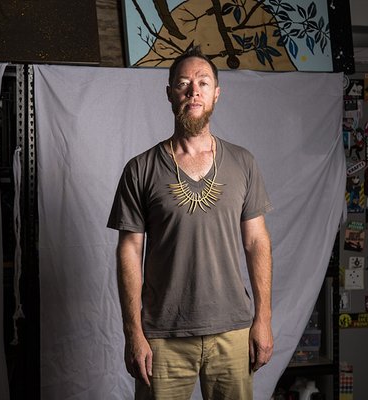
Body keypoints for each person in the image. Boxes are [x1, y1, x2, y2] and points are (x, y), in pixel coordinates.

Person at [107, 46, 274, 399]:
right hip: (163, 336)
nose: (193, 91)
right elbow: (129, 250)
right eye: (183, 83)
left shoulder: (243, 163)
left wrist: (263, 319)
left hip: (233, 332)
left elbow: (256, 241)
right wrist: (133, 333)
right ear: (170, 94)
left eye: (202, 82)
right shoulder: (141, 169)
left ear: (216, 93)